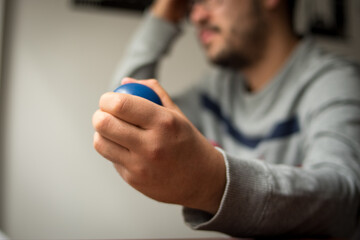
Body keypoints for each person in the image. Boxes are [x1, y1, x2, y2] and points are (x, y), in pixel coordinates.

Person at [92, 0, 360, 238]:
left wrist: (211, 181)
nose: (195, 16)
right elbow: (125, 112)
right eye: (191, 3)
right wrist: (165, 12)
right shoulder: (217, 91)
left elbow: (343, 199)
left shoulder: (337, 82)